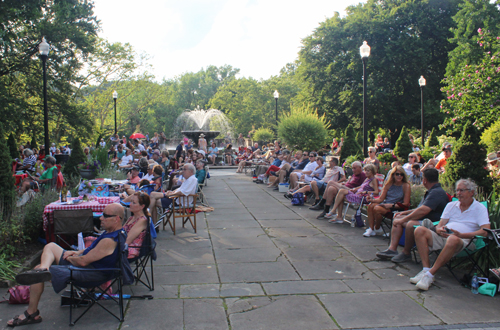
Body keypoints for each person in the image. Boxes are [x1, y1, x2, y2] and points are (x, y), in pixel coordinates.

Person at [8, 203, 126, 327]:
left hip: (90, 274)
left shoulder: (109, 241)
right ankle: (44, 269)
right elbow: (90, 250)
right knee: (51, 246)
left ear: (117, 218)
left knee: (36, 273)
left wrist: (71, 258)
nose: (101, 218)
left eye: (105, 216)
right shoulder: (116, 232)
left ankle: (32, 313)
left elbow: (83, 261)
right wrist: (75, 252)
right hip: (89, 267)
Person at [411, 179, 490, 290]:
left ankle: (429, 275)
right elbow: (440, 224)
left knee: (453, 239)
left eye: (462, 190)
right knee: (419, 230)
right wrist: (439, 230)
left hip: (465, 241)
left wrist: (462, 235)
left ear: (471, 192)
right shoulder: (451, 205)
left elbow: (486, 231)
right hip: (444, 237)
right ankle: (425, 269)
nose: (458, 193)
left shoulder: (479, 208)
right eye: (457, 190)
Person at [376, 168, 449, 263]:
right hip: (426, 218)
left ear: (425, 180)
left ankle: (406, 253)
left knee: (409, 224)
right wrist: (404, 213)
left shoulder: (436, 193)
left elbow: (423, 211)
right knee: (398, 218)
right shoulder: (433, 191)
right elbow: (421, 209)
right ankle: (392, 249)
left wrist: (404, 219)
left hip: (433, 223)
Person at [363, 165, 411, 237]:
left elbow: (406, 203)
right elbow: (381, 199)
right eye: (397, 174)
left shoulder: (406, 186)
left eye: (401, 174)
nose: (399, 176)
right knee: (371, 205)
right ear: (393, 175)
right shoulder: (388, 184)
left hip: (397, 207)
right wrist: (372, 200)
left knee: (376, 208)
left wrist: (392, 205)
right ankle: (371, 229)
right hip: (386, 205)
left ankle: (377, 227)